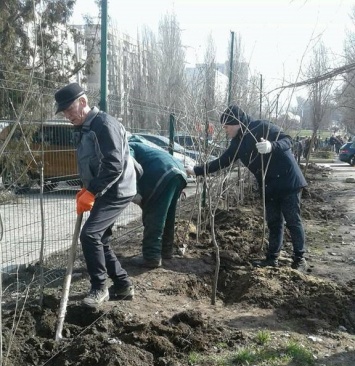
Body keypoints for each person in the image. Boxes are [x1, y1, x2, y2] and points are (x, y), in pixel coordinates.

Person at [185, 104, 308, 271]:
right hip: (269, 185)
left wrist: (272, 145)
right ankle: (272, 258)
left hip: (288, 181)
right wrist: (197, 170)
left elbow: (288, 140)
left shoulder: (262, 127)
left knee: (293, 221)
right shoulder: (238, 143)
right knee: (274, 222)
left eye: (227, 126)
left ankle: (300, 259)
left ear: (237, 123)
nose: (225, 130)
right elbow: (223, 161)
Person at [54, 82, 137, 306]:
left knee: (90, 235)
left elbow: (113, 165)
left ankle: (99, 288)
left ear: (83, 102)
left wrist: (91, 191)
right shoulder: (83, 128)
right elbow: (92, 162)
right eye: (63, 112)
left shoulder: (103, 125)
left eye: (69, 109)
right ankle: (122, 284)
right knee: (100, 238)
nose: (66, 116)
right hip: (105, 187)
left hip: (117, 189)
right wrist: (86, 187)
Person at [129, 140, 188, 268]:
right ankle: (166, 251)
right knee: (168, 215)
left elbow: (129, 164)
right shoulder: (145, 145)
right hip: (179, 172)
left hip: (162, 172)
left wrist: (134, 191)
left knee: (155, 216)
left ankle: (151, 257)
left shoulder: (128, 145)